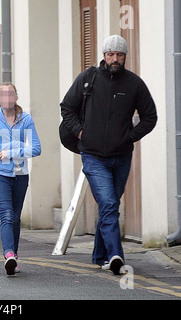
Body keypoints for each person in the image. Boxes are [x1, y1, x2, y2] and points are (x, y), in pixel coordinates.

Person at [60, 35, 157, 275]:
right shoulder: (88, 78)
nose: (115, 59)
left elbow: (150, 117)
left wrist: (130, 136)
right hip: (93, 155)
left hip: (122, 155)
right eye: (111, 54)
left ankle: (100, 254)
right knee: (109, 203)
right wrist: (80, 132)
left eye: (119, 55)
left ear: (125, 56)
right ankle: (116, 256)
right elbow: (67, 108)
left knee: (109, 205)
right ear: (103, 55)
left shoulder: (134, 84)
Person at [0, 83, 41, 275]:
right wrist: (2, 152)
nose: (7, 98)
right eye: (3, 95)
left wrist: (12, 151)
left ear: (16, 97)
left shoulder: (26, 119)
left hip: (20, 174)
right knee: (6, 214)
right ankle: (8, 255)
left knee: (15, 216)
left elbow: (36, 148)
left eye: (11, 94)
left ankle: (14, 255)